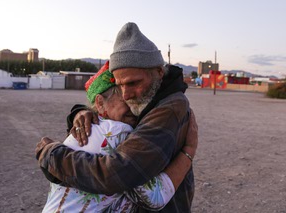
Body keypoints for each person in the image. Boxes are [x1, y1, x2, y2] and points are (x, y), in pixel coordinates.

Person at [36, 22, 198, 212]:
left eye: (133, 83)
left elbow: (117, 174)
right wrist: (81, 112)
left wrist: (51, 154)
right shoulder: (146, 99)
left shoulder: (168, 108)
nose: (127, 95)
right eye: (120, 86)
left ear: (159, 72)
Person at [41, 61, 182, 212]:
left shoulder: (90, 126)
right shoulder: (117, 131)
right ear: (100, 103)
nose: (134, 106)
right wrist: (188, 151)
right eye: (125, 99)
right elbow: (155, 197)